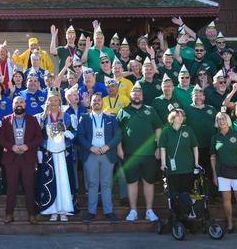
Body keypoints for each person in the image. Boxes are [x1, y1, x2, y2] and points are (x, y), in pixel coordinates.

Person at [117, 84, 162, 223]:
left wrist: (158, 147)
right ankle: (133, 211)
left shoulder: (150, 110)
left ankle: (149, 210)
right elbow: (117, 132)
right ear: (130, 96)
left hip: (149, 154)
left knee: (149, 182)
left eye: (139, 92)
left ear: (142, 95)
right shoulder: (123, 111)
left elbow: (158, 129)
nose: (136, 95)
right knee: (132, 182)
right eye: (134, 93)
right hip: (130, 153)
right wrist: (119, 148)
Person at [0, 95, 43, 224]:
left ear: (25, 105)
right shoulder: (5, 120)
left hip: (27, 158)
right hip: (11, 158)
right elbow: (0, 138)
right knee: (11, 187)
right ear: (12, 105)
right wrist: (11, 147)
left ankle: (32, 214)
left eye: (21, 102)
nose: (19, 104)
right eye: (16, 102)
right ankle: (9, 214)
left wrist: (27, 146)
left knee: (29, 187)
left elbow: (39, 138)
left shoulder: (32, 120)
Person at [77, 94, 121, 223]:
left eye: (98, 100)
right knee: (92, 184)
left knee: (107, 184)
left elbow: (118, 135)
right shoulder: (84, 118)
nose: (96, 102)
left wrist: (108, 146)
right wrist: (91, 147)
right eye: (94, 100)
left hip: (107, 154)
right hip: (91, 154)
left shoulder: (111, 118)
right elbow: (80, 136)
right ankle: (91, 212)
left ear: (103, 103)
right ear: (90, 103)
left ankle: (109, 211)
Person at [36, 89, 75, 222]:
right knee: (50, 181)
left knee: (63, 180)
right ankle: (52, 209)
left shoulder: (66, 116)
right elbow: (38, 135)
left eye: (55, 100)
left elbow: (73, 132)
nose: (53, 102)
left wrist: (70, 134)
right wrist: (39, 149)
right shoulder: (42, 117)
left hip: (63, 154)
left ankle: (64, 209)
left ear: (59, 101)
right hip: (49, 153)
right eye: (50, 100)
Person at [210, 111, 237, 235]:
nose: (221, 121)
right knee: (226, 200)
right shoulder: (215, 137)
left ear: (228, 120)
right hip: (222, 173)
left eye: (223, 119)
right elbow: (213, 158)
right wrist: (215, 175)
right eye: (219, 119)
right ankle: (230, 224)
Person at [158, 108, 200, 197]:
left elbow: (195, 147)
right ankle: (176, 210)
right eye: (178, 116)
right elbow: (163, 148)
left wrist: (196, 163)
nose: (181, 118)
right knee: (174, 194)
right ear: (172, 118)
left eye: (182, 116)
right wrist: (163, 164)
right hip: (172, 169)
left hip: (187, 168)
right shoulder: (166, 131)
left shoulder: (188, 130)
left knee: (187, 193)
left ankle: (187, 210)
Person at [185, 86, 216, 186]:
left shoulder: (211, 109)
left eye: (200, 95)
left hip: (210, 146)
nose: (198, 97)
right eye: (195, 95)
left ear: (204, 97)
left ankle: (212, 195)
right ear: (192, 97)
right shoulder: (187, 109)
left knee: (210, 171)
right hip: (194, 147)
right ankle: (198, 196)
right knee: (196, 172)